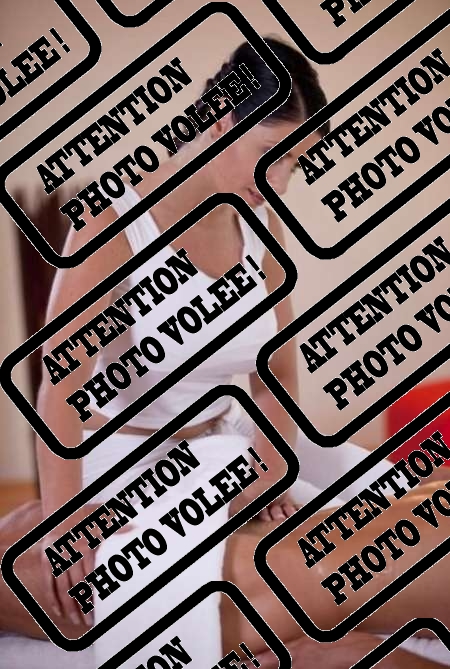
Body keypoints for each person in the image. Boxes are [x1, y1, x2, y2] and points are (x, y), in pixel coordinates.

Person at [1, 495, 449, 668]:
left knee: (48, 570)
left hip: (264, 587)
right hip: (290, 530)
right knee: (31, 525)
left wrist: (374, 658)